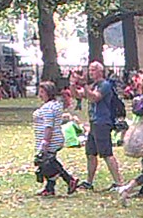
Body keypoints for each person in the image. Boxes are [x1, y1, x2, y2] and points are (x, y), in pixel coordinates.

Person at [82, 61, 126, 192]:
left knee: (106, 153)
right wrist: (74, 84)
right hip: (94, 123)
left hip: (102, 122)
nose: (91, 72)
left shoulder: (105, 85)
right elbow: (78, 95)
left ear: (101, 71)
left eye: (93, 70)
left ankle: (119, 183)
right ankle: (89, 182)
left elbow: (95, 97)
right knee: (90, 153)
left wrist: (84, 86)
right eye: (90, 70)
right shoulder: (94, 85)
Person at [32, 81, 77, 196]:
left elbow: (48, 126)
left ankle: (69, 179)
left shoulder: (48, 107)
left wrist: (45, 142)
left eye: (42, 92)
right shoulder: (55, 104)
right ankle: (49, 188)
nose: (40, 94)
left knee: (47, 163)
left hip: (51, 140)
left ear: (49, 92)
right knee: (49, 162)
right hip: (56, 138)